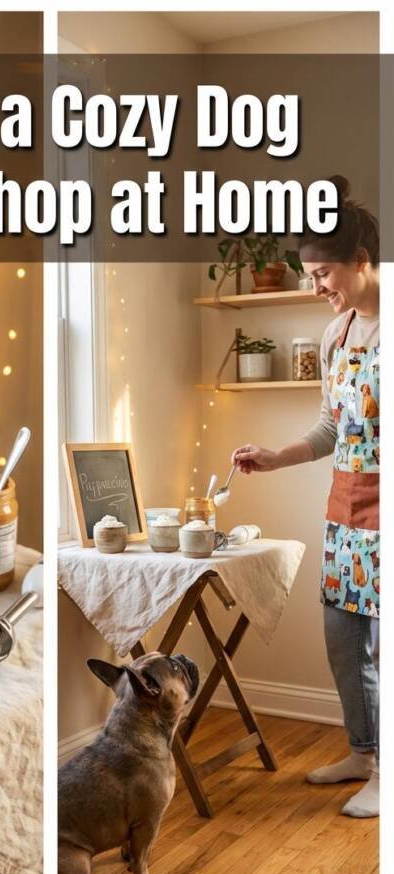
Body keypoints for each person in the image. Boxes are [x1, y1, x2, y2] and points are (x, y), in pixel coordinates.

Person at [232, 176, 379, 818]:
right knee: (343, 640)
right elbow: (329, 429)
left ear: (361, 260)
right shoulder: (335, 335)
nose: (316, 287)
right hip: (345, 509)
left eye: (322, 274)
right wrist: (274, 456)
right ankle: (363, 753)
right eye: (310, 275)